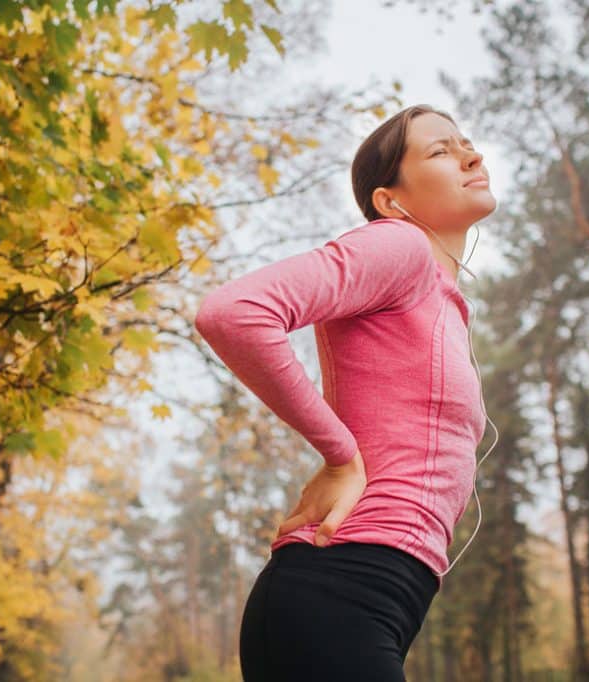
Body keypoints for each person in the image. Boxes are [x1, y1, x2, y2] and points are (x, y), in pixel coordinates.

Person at [194, 104, 498, 681]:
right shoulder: (400, 246)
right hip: (338, 591)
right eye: (440, 150)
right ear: (391, 201)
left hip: (375, 601)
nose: (472, 155)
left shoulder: (444, 303)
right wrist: (339, 455)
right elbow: (233, 313)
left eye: (466, 142)